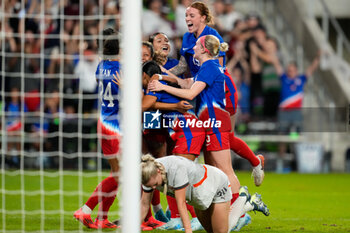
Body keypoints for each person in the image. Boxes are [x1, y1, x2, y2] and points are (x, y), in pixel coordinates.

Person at [149, 34, 256, 230]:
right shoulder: (207, 67)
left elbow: (190, 93)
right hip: (207, 123)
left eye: (196, 46)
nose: (193, 48)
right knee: (212, 170)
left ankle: (240, 205)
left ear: (204, 50)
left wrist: (162, 85)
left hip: (214, 123)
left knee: (223, 170)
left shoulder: (209, 67)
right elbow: (187, 83)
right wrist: (162, 74)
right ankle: (231, 208)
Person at [165, 1, 265, 190]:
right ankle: (222, 201)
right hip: (201, 92)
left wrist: (187, 84)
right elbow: (182, 67)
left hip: (220, 91)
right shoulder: (187, 38)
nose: (187, 19)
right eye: (186, 16)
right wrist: (161, 71)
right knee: (213, 148)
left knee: (224, 138)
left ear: (203, 17)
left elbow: (215, 70)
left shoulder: (212, 37)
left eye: (192, 15)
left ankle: (252, 166)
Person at [142, 61, 204, 230]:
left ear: (145, 76)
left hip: (189, 132)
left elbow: (143, 106)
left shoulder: (154, 85)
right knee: (172, 176)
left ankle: (197, 217)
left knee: (181, 178)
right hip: (184, 133)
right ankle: (176, 218)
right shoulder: (161, 83)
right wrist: (173, 105)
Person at [140, 154, 269, 233]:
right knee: (212, 231)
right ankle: (250, 203)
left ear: (158, 171)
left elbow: (181, 203)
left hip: (215, 183)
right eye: (150, 186)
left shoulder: (175, 169)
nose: (153, 188)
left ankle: (242, 199)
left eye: (155, 184)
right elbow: (144, 205)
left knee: (221, 232)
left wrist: (188, 231)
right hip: (198, 196)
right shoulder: (147, 174)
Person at [73, 28, 121, 229]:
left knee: (116, 173)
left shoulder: (101, 66)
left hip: (103, 121)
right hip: (117, 126)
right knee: (121, 174)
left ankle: (102, 217)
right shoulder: (122, 69)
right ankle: (85, 210)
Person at [272, 52, 321, 173]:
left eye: (292, 70)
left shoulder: (301, 79)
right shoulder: (284, 79)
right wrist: (272, 54)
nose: (290, 72)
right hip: (284, 113)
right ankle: (281, 164)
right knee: (282, 138)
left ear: (296, 71)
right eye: (289, 70)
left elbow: (311, 69)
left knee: (296, 138)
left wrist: (318, 57)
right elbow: (277, 65)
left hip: (296, 113)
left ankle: (297, 164)